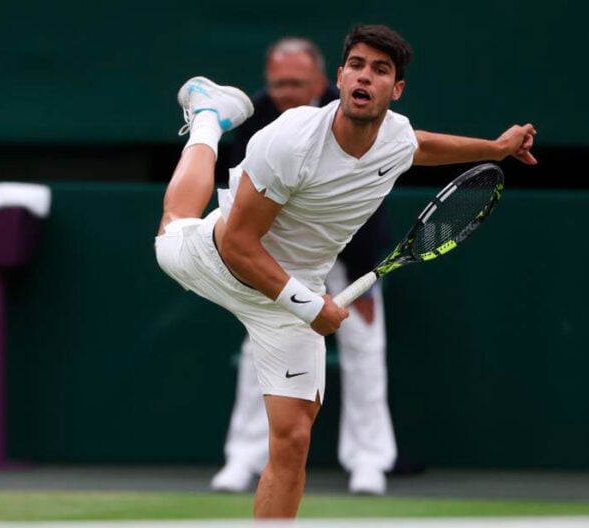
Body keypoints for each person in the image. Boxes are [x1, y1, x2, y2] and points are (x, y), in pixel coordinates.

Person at [155, 24, 536, 519]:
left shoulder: (394, 137)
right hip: (223, 262)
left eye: (380, 70)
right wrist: (308, 305)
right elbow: (237, 245)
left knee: (293, 439)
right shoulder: (290, 140)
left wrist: (495, 148)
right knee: (175, 222)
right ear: (338, 77)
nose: (364, 76)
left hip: (286, 304)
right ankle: (208, 116)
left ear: (396, 89)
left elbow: (419, 146)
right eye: (356, 65)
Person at [210, 36, 405, 496]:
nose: (286, 92)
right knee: (259, 349)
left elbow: (373, 198)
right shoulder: (257, 116)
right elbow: (245, 203)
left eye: (296, 83)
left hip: (349, 253)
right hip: (281, 254)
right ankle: (243, 457)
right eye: (278, 83)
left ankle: (369, 461)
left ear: (320, 81)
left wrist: (361, 274)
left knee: (364, 348)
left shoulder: (358, 110)